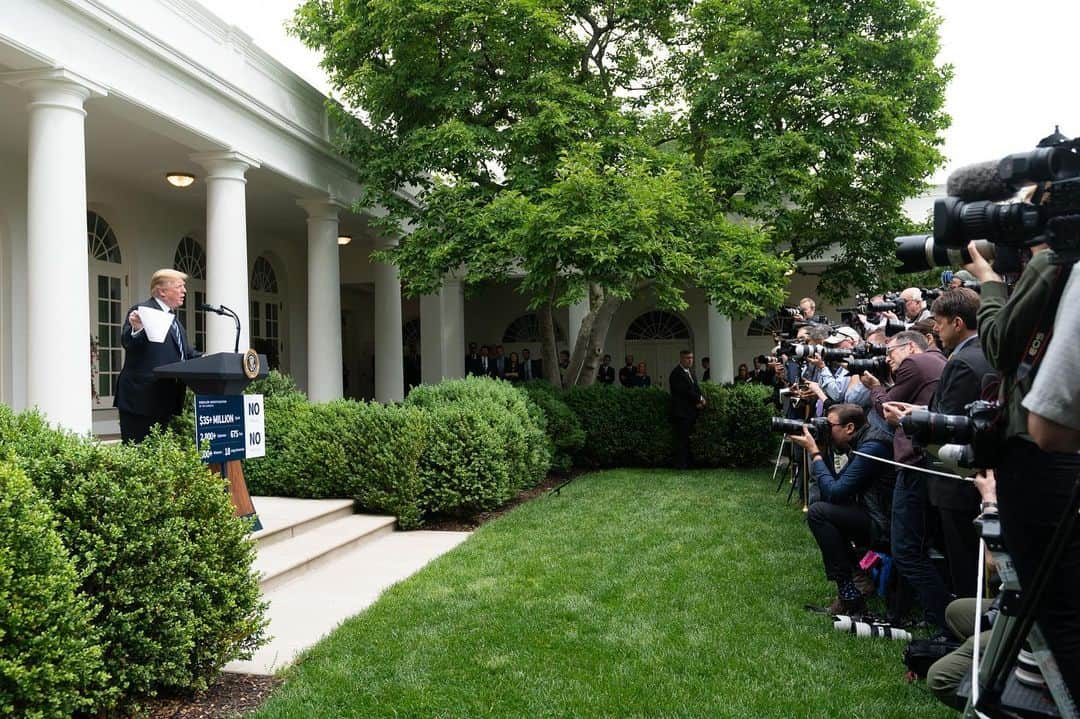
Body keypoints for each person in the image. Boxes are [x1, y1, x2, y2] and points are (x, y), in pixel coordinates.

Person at [968, 240, 1080, 699]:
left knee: (1058, 611)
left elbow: (999, 346)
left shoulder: (1055, 259)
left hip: (1042, 456)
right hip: (1053, 458)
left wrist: (990, 285)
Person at [861, 330, 948, 633]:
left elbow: (888, 411)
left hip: (915, 466)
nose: (888, 360)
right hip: (933, 466)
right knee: (922, 548)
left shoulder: (916, 363)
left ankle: (941, 621)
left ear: (910, 346)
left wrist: (874, 388)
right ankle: (920, 613)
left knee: (906, 550)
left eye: (890, 353)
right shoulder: (940, 362)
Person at [788, 403, 893, 615]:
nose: (826, 430)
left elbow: (836, 492)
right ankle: (856, 581)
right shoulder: (863, 441)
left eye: (829, 426)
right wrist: (823, 451)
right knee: (823, 510)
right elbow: (834, 488)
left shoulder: (873, 446)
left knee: (818, 513)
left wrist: (815, 453)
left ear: (850, 428)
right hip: (871, 514)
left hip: (884, 523)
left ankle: (850, 592)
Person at [926, 288, 990, 601]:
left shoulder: (963, 362)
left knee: (965, 566)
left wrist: (915, 422)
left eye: (938, 322)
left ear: (958, 322)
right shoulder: (984, 352)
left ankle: (965, 636)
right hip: (974, 479)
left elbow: (949, 426)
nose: (934, 329)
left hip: (958, 482)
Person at [114, 269, 200, 444]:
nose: (184, 291)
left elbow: (186, 354)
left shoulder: (174, 321)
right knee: (139, 456)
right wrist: (137, 328)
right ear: (162, 291)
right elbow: (128, 343)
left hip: (164, 401)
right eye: (179, 287)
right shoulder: (142, 311)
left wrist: (212, 359)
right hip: (141, 402)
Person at [669, 350, 705, 470]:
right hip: (681, 413)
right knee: (682, 440)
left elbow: (696, 388)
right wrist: (699, 399)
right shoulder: (676, 374)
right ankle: (681, 464)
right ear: (681, 359)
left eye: (691, 358)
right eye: (687, 358)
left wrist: (701, 399)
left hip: (691, 412)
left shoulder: (691, 373)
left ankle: (688, 463)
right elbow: (685, 392)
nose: (690, 360)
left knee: (689, 439)